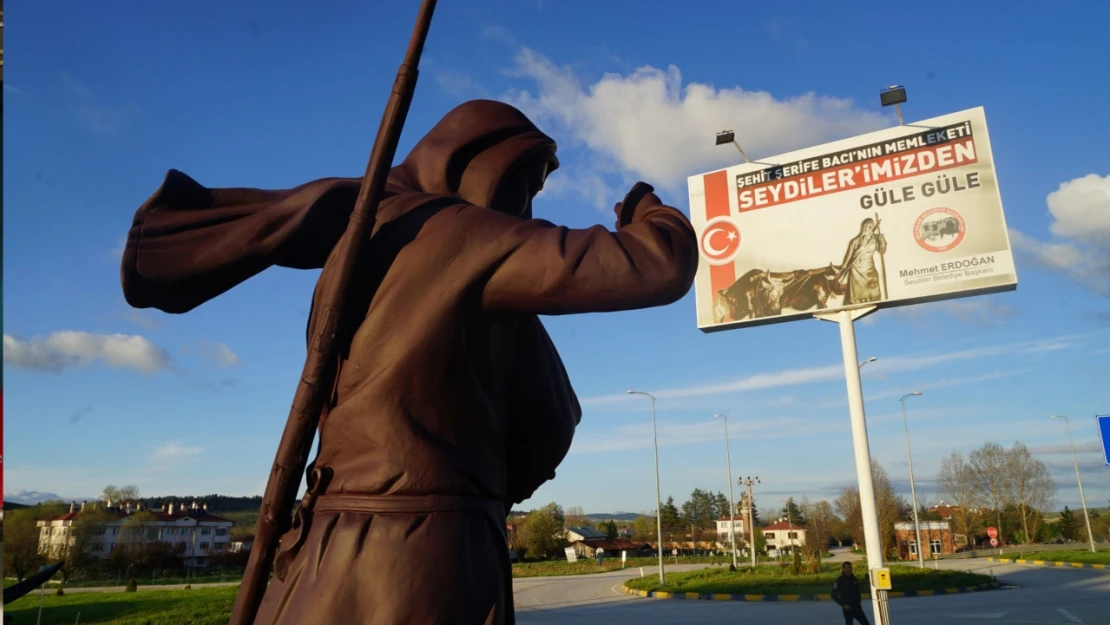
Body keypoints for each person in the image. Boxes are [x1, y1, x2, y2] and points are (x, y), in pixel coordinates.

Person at [119, 99, 698, 625]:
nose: (525, 207)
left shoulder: (360, 241)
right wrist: (649, 210)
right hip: (430, 550)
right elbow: (657, 264)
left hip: (321, 544)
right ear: (483, 167)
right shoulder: (467, 234)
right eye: (526, 185)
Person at [836, 217, 887, 305]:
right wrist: (843, 268)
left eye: (870, 227)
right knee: (857, 294)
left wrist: (882, 240)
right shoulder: (855, 241)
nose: (868, 229)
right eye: (866, 226)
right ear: (863, 227)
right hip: (856, 270)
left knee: (873, 291)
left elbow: (882, 251)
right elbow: (848, 257)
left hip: (870, 270)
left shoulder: (875, 239)